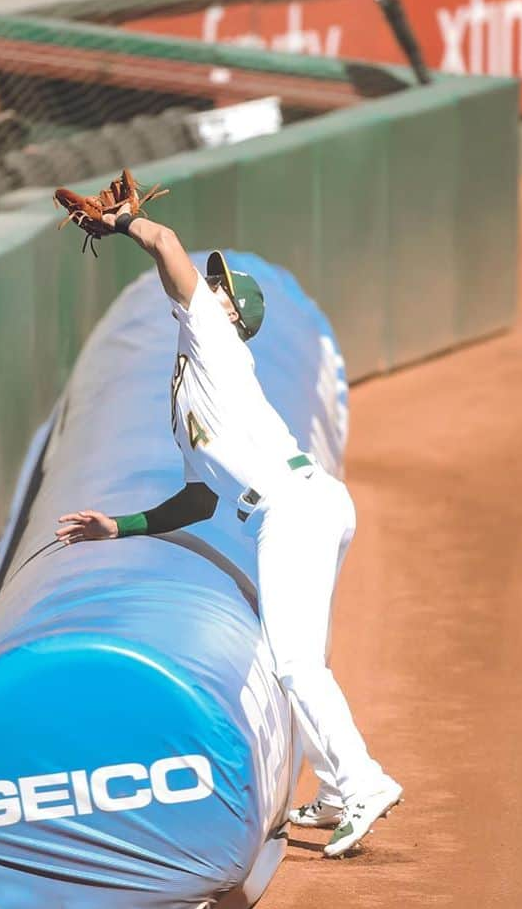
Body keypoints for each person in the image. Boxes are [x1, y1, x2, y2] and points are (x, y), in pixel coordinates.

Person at [55, 203, 402, 857]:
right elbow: (198, 500)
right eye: (209, 281)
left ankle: (363, 783)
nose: (207, 286)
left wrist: (128, 223)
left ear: (232, 314)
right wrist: (120, 527)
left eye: (218, 286)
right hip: (303, 505)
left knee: (295, 661)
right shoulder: (191, 383)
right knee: (305, 659)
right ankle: (335, 788)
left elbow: (166, 240)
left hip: (292, 511)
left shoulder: (212, 333)